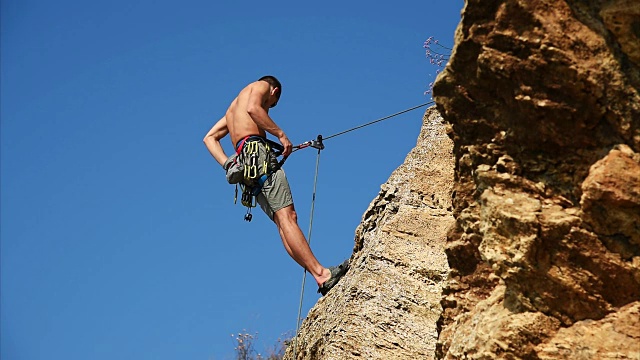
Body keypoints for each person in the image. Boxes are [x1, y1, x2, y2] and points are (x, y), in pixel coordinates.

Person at [203, 75, 348, 295]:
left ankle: (318, 275)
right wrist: (281, 135)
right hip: (258, 156)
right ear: (274, 91)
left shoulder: (232, 110)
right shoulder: (260, 87)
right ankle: (322, 274)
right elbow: (254, 109)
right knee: (288, 217)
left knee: (282, 221)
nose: (268, 109)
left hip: (246, 165)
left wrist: (227, 164)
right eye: (271, 105)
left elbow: (209, 138)